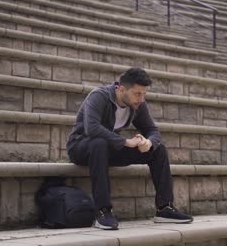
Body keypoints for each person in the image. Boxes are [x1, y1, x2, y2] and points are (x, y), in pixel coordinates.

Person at [66, 68, 193, 230]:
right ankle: (103, 212)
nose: (141, 99)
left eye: (143, 94)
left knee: (158, 150)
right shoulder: (99, 96)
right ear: (121, 89)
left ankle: (164, 209)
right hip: (81, 147)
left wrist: (149, 142)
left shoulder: (138, 104)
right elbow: (91, 128)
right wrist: (125, 142)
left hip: (108, 149)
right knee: (99, 143)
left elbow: (153, 130)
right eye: (137, 94)